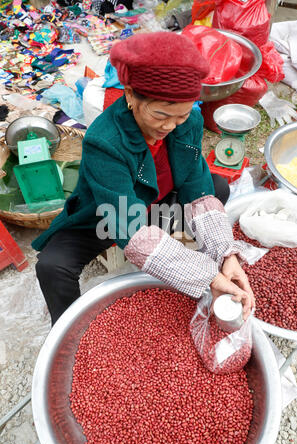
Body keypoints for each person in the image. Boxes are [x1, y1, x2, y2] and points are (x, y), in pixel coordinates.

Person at [32, 31, 255, 326]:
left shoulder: (189, 122)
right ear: (130, 96)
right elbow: (126, 222)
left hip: (159, 205)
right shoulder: (104, 140)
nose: (170, 126)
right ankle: (73, 332)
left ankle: (181, 248)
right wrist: (206, 275)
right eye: (161, 115)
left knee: (216, 187)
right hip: (105, 215)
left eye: (181, 116)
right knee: (52, 266)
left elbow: (196, 187)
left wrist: (226, 256)